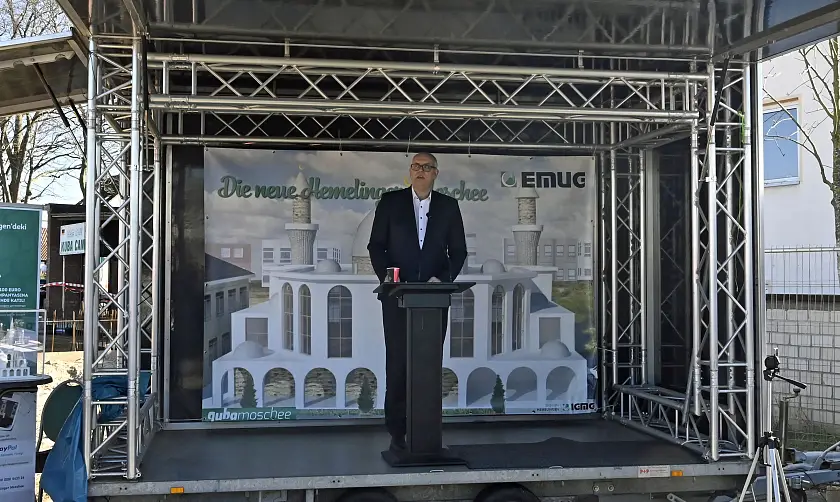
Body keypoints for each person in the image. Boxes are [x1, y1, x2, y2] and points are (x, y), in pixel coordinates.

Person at [367, 152, 468, 453]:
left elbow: (458, 251)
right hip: (397, 298)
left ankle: (426, 429)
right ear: (409, 172)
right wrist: (390, 278)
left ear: (436, 173)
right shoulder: (390, 203)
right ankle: (397, 431)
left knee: (428, 365)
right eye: (415, 166)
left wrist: (442, 279)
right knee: (398, 364)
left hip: (433, 300)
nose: (420, 171)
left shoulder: (449, 207)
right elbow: (376, 246)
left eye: (426, 167)